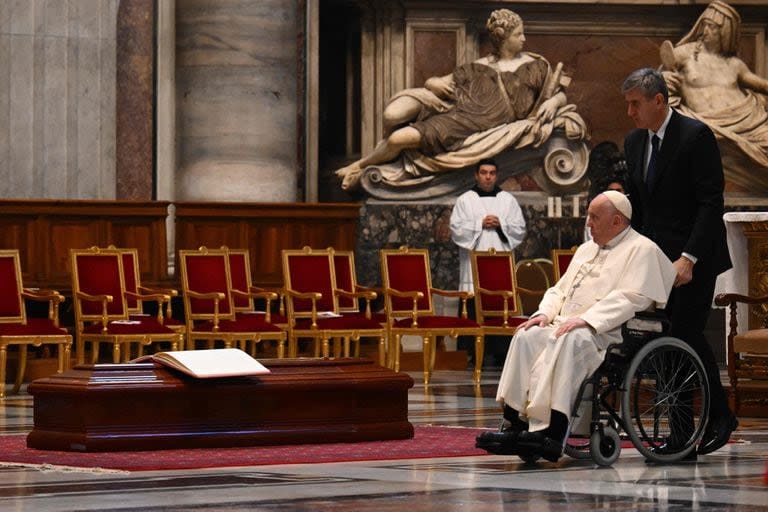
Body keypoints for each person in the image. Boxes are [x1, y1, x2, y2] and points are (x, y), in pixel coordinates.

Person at [476, 191, 676, 461]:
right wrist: (544, 314)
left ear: (617, 221)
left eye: (594, 217)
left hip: (609, 332)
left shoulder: (643, 249)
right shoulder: (586, 249)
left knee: (571, 339)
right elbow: (559, 290)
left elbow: (632, 297)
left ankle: (553, 433)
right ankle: (516, 425)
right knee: (527, 334)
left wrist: (588, 319)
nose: (588, 223)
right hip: (565, 323)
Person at [335, 9, 583, 191]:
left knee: (400, 138)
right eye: (519, 34)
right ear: (503, 38)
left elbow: (559, 94)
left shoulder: (535, 66)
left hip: (479, 125)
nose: (524, 39)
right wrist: (433, 82)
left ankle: (360, 165)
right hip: (461, 117)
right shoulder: (477, 67)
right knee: (394, 120)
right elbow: (439, 81)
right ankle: (362, 164)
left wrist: (553, 103)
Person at [621, 67, 736, 457]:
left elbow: (710, 202)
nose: (631, 112)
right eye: (628, 104)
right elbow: (639, 206)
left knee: (685, 334)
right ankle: (686, 431)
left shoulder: (695, 136)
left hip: (695, 257)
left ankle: (713, 418)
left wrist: (688, 257)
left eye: (636, 104)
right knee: (667, 339)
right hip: (656, 258)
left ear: (659, 100)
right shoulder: (634, 142)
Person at [659, 0, 768, 190]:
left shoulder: (734, 64)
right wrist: (665, 78)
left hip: (748, 122)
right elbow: (656, 81)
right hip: (705, 124)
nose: (706, 31)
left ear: (726, 33)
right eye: (705, 25)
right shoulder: (684, 53)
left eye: (713, 27)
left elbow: (761, 84)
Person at [450, 158, 526, 366]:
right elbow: (456, 229)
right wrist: (479, 224)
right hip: (473, 267)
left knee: (500, 306)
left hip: (499, 265)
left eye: (492, 172)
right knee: (475, 307)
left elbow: (519, 229)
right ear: (476, 175)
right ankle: (474, 353)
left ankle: (502, 353)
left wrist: (501, 225)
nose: (488, 176)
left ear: (496, 175)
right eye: (483, 172)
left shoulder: (507, 200)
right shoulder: (465, 200)